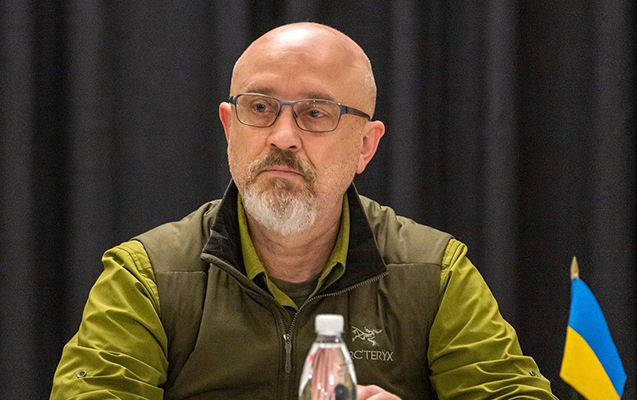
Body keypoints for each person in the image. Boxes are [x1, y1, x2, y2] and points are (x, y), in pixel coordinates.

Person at [51, 22, 557, 400]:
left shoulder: (433, 273)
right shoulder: (147, 275)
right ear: (229, 127)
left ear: (365, 146)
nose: (283, 137)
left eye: (315, 113)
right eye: (260, 107)